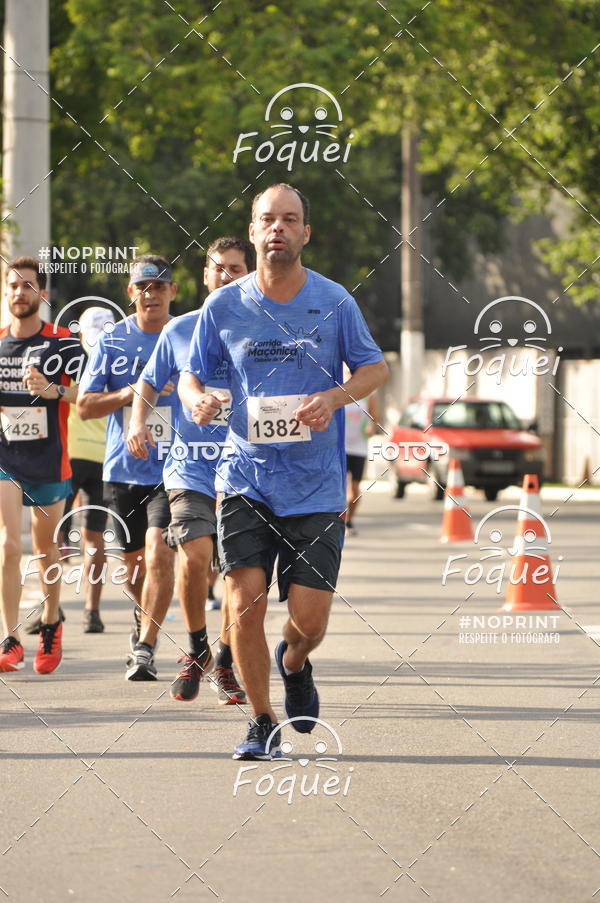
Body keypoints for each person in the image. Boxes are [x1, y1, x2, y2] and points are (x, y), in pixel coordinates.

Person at [179, 184, 388, 759]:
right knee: (242, 601)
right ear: (252, 231)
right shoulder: (224, 306)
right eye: (267, 219)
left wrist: (333, 396)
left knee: (310, 620)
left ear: (305, 233)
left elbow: (375, 367)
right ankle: (261, 720)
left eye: (289, 219)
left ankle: (294, 660)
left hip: (316, 488)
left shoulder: (335, 301)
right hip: (245, 478)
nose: (278, 229)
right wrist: (199, 398)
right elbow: (191, 375)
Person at [127, 237, 253, 704]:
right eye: (218, 268)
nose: (226, 276)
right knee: (195, 555)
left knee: (237, 574)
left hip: (245, 471)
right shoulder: (180, 329)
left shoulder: (264, 331)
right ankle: (196, 647)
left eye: (236, 269)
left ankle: (224, 661)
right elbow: (148, 382)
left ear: (249, 273)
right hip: (189, 470)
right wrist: (137, 423)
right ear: (205, 276)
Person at [77, 254, 178, 680]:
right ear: (130, 292)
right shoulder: (114, 341)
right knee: (134, 563)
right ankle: (144, 616)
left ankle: (145, 646)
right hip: (122, 468)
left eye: (158, 286)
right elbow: (84, 406)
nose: (150, 294)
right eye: (142, 287)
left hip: (175, 468)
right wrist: (133, 393)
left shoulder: (185, 335)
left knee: (159, 553)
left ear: (172, 290)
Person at [0, 256, 83, 674]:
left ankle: (51, 621)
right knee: (9, 544)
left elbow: (87, 397)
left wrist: (54, 391)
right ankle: (11, 636)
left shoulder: (63, 342)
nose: (20, 292)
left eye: (28, 285)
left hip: (50, 459)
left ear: (42, 293)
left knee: (46, 549)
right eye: (13, 285)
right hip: (5, 458)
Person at [26, 306, 115, 635]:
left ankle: (52, 608)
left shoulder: (69, 357)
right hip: (104, 459)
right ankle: (92, 611)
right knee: (94, 538)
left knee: (50, 539)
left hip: (68, 456)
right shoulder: (114, 362)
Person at [345, 378, 380, 534]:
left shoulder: (369, 393)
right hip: (340, 447)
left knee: (354, 489)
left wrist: (372, 428)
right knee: (339, 488)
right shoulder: (341, 390)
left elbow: (375, 418)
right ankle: (337, 521)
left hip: (359, 448)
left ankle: (349, 521)